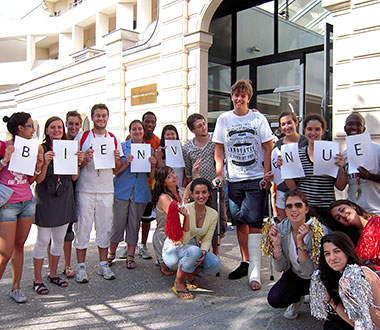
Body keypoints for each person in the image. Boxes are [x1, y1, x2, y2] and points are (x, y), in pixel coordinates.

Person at [212, 79, 273, 290]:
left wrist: (266, 172)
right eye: (236, 96)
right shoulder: (223, 119)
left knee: (255, 222)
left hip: (255, 177)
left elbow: (268, 146)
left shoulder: (258, 118)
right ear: (232, 97)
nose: (239, 99)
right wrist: (219, 173)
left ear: (249, 98)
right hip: (234, 179)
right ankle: (246, 262)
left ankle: (255, 271)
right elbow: (219, 148)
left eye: (243, 96)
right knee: (240, 221)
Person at [33, 116, 82, 295]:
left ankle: (53, 273)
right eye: (52, 127)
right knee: (43, 240)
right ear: (46, 130)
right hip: (46, 198)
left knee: (59, 240)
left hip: (65, 197)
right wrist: (45, 162)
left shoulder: (69, 147)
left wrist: (77, 162)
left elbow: (75, 177)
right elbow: (38, 179)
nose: (56, 130)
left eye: (59, 127)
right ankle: (37, 279)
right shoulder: (42, 148)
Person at [74, 103, 122, 283]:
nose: (100, 119)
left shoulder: (113, 138)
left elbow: (116, 169)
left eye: (103, 115)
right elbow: (75, 165)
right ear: (92, 118)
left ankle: (103, 264)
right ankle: (81, 267)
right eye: (97, 116)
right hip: (85, 189)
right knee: (83, 228)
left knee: (104, 228)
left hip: (106, 190)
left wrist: (117, 159)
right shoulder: (82, 137)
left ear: (108, 118)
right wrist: (85, 159)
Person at [266, 190, 329, 319]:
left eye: (298, 205)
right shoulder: (282, 228)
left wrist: (300, 242)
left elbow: (309, 271)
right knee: (275, 299)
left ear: (306, 209)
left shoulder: (319, 231)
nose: (293, 209)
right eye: (289, 206)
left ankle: (317, 296)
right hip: (295, 274)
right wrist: (277, 244)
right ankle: (297, 299)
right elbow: (280, 268)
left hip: (319, 277)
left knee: (324, 315)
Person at [0, 112, 43, 303]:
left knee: (19, 246)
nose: (33, 129)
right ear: (20, 128)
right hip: (8, 203)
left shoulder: (32, 148)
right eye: (30, 125)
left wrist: (39, 166)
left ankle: (15, 288)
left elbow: (30, 179)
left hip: (27, 201)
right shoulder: (3, 146)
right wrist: (4, 160)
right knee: (5, 251)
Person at [281, 114, 346, 227]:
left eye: (317, 129)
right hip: (305, 210)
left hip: (327, 209)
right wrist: (285, 169)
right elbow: (293, 187)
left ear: (323, 131)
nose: (313, 133)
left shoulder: (332, 154)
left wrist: (340, 168)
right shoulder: (297, 154)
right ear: (304, 130)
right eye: (310, 129)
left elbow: (341, 186)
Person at [107, 120, 156, 269]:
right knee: (118, 224)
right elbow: (115, 171)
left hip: (140, 191)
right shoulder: (122, 147)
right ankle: (111, 253)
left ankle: (130, 256)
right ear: (130, 132)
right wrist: (125, 163)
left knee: (134, 224)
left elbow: (151, 174)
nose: (137, 132)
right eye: (134, 129)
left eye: (139, 129)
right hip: (122, 190)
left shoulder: (148, 149)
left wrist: (153, 163)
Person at [162, 178, 221, 299]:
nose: (201, 196)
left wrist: (204, 251)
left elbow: (207, 237)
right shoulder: (185, 209)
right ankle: (179, 282)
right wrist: (187, 218)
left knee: (215, 264)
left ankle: (189, 274)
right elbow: (182, 241)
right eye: (197, 193)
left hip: (194, 249)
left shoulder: (213, 213)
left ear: (209, 193)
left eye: (204, 192)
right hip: (173, 250)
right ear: (192, 194)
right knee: (194, 251)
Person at [310, 231, 380, 329]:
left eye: (337, 251)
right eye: (327, 254)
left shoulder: (365, 275)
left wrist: (363, 302)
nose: (332, 258)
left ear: (346, 251)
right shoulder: (337, 278)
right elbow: (356, 323)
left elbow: (378, 321)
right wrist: (330, 300)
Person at [182, 113, 227, 255]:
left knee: (217, 222)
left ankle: (215, 252)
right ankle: (200, 251)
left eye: (204, 124)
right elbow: (188, 172)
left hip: (215, 188)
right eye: (199, 126)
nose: (203, 127)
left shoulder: (215, 140)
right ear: (192, 130)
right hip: (198, 191)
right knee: (200, 222)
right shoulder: (187, 148)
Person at [341, 112, 380, 215]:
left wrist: (370, 176)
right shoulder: (343, 155)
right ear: (345, 128)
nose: (354, 127)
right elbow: (341, 186)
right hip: (355, 213)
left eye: (358, 124)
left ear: (364, 129)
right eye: (350, 124)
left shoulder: (377, 150)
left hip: (376, 211)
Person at [134, 111, 161, 260]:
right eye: (147, 122)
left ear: (155, 124)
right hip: (134, 184)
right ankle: (129, 244)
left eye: (152, 122)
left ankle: (143, 245)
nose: (149, 125)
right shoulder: (135, 138)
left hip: (150, 185)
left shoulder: (158, 141)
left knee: (146, 219)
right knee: (132, 218)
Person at [273, 111, 308, 221]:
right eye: (283, 124)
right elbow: (275, 170)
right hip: (283, 189)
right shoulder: (278, 144)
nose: (286, 127)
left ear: (296, 123)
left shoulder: (306, 141)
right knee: (284, 224)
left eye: (289, 123)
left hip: (302, 188)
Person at [61, 110, 83, 278]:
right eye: (70, 123)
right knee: (54, 227)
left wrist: (82, 161)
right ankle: (54, 266)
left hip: (77, 185)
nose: (73, 127)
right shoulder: (59, 141)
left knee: (70, 227)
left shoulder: (83, 141)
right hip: (59, 188)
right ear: (66, 124)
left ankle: (68, 265)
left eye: (76, 124)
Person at [152, 166, 185, 276]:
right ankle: (162, 260)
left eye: (173, 173)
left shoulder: (181, 191)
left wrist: (194, 174)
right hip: (165, 235)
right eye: (169, 176)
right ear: (164, 183)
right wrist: (186, 199)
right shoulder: (164, 198)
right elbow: (178, 217)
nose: (174, 176)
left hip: (181, 231)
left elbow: (197, 188)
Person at [330, 199, 380, 265]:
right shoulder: (352, 241)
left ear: (352, 206)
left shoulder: (377, 222)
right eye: (338, 217)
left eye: (342, 210)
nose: (342, 215)